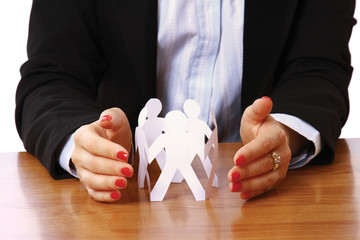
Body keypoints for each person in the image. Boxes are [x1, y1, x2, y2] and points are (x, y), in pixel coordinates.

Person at [16, 0, 356, 202]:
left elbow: (320, 68)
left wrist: (285, 132)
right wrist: (87, 143)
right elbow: (51, 77)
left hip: (258, 202)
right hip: (126, 202)